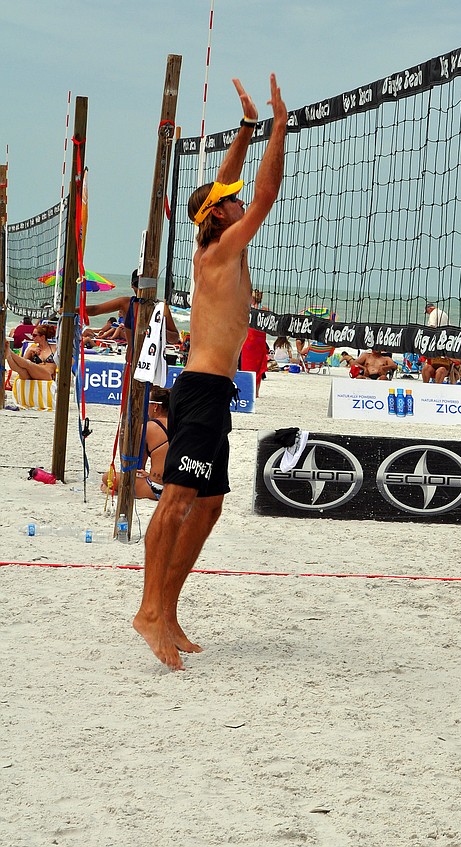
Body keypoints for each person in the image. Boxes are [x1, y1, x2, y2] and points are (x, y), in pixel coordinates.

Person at [133, 74, 287, 670]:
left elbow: (230, 185)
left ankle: (168, 609)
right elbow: (266, 191)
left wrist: (246, 127)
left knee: (211, 504)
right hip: (198, 390)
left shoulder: (221, 240)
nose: (241, 198)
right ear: (216, 214)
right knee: (176, 501)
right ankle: (149, 609)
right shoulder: (220, 247)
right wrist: (278, 127)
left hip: (213, 392)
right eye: (232, 198)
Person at [87, 271, 180, 362]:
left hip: (153, 365)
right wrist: (74, 309)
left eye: (147, 285)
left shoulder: (161, 307)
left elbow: (175, 338)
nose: (142, 289)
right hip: (131, 361)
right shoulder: (126, 303)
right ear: (132, 285)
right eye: (138, 284)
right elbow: (96, 309)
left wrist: (158, 329)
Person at [102, 386, 170, 501]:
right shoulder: (182, 425)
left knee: (107, 477)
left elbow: (136, 468)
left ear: (155, 406)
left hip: (158, 488)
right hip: (179, 487)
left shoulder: (148, 428)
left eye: (147, 403)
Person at [240, 290, 269, 395]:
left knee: (247, 367)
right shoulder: (265, 310)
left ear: (251, 298)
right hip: (260, 341)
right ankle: (256, 392)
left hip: (249, 341)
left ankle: (248, 390)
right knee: (258, 368)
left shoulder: (246, 310)